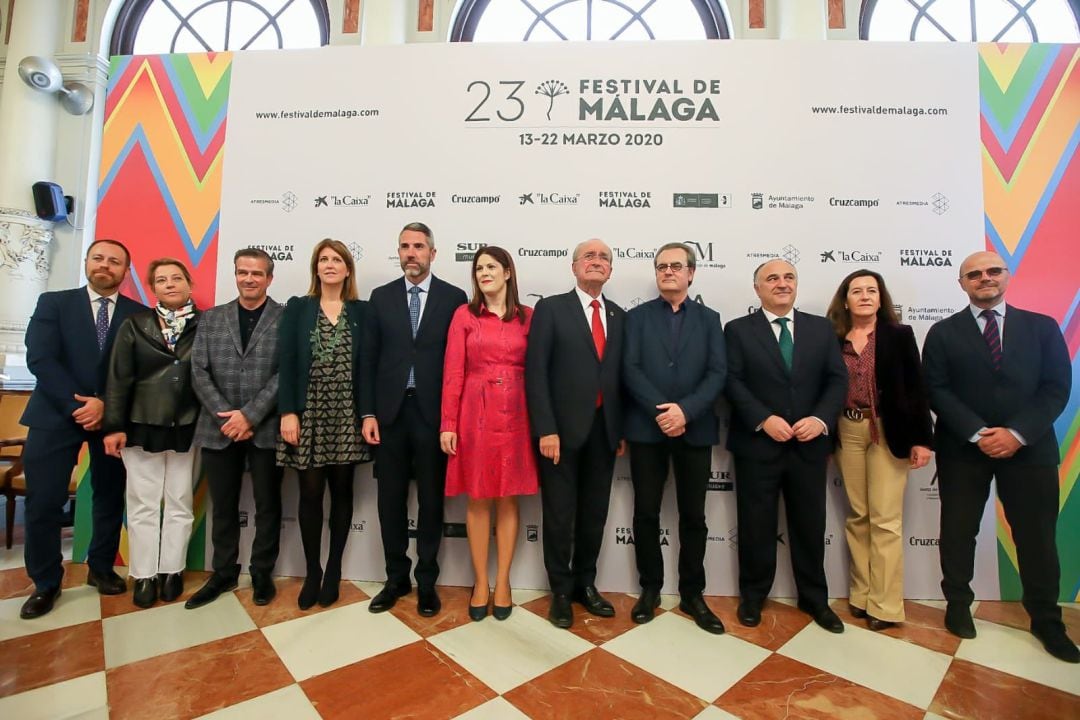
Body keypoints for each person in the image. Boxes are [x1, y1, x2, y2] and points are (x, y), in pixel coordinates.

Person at [923, 251, 1077, 663]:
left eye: (993, 271)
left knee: (1037, 538)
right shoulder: (942, 332)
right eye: (974, 274)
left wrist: (1016, 434)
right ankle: (958, 606)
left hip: (1029, 449)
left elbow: (1056, 388)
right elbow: (936, 390)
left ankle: (1047, 621)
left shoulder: (1042, 328)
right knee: (957, 532)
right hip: (962, 450)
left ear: (1007, 276)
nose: (984, 278)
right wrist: (978, 433)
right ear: (962, 284)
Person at [18, 239, 144, 619]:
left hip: (112, 419)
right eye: (99, 258)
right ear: (87, 261)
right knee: (43, 501)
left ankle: (101, 568)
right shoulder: (54, 303)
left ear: (126, 270)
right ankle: (45, 582)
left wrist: (105, 404)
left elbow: (139, 369)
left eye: (115, 261)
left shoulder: (139, 314)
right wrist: (80, 406)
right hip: (55, 416)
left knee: (108, 496)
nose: (105, 266)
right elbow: (40, 357)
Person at [725, 259, 847, 633]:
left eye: (788, 277)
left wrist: (821, 419)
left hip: (808, 446)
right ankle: (753, 596)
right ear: (757, 288)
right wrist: (764, 419)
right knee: (755, 525)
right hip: (758, 445)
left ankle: (815, 599)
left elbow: (836, 380)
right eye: (772, 278)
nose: (781, 283)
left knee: (810, 525)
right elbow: (731, 380)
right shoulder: (737, 330)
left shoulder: (821, 328)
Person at [361, 222, 467, 617]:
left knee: (431, 502)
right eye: (405, 246)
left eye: (419, 246)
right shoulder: (381, 297)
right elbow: (368, 360)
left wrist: (451, 419)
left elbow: (460, 364)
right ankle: (395, 579)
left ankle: (426, 581)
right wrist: (368, 412)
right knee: (390, 501)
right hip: (388, 414)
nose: (411, 253)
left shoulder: (454, 298)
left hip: (433, 416)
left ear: (433, 254)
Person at [622, 242, 726, 634]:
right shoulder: (636, 318)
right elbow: (629, 369)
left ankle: (692, 593)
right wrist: (663, 412)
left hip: (694, 429)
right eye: (661, 266)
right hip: (648, 430)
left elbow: (718, 372)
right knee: (645, 513)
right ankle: (649, 588)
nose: (668, 271)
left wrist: (686, 411)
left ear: (691, 274)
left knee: (694, 515)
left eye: (676, 266)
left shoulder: (710, 318)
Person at [526, 238, 626, 629]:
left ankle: (587, 584)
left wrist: (617, 429)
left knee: (594, 516)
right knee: (559, 517)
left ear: (610, 270)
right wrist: (546, 428)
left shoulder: (619, 315)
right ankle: (561, 593)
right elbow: (536, 373)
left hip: (604, 434)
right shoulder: (551, 308)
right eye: (589, 256)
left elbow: (618, 378)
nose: (596, 262)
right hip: (560, 436)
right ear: (574, 267)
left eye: (604, 257)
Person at [825, 270, 933, 631]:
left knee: (885, 519)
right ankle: (861, 594)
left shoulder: (899, 336)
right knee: (858, 515)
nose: (865, 296)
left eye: (872, 290)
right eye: (857, 290)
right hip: (847, 429)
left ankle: (886, 606)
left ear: (881, 297)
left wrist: (922, 439)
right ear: (846, 299)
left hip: (888, 431)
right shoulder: (833, 337)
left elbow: (917, 389)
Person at [441, 246, 538, 621]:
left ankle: (504, 582)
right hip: (474, 414)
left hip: (517, 412)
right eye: (478, 268)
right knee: (479, 498)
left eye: (491, 267)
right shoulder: (464, 315)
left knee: (509, 499)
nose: (484, 273)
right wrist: (448, 423)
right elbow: (453, 373)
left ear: (508, 272)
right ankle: (481, 582)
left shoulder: (528, 317)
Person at [186, 248, 283, 609]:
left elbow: (286, 371)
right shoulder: (211, 319)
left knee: (267, 505)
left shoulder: (285, 318)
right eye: (243, 272)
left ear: (269, 278)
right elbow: (198, 371)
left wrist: (251, 415)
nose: (249, 279)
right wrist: (226, 415)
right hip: (218, 428)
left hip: (265, 428)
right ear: (235, 274)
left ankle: (261, 573)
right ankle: (223, 572)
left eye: (257, 273)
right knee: (223, 506)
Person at [103, 258, 201, 608]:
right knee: (143, 504)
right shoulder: (135, 324)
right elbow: (118, 379)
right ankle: (144, 574)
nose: (170, 284)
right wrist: (113, 426)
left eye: (177, 278)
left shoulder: (206, 325)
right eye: (161, 280)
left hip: (187, 424)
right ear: (152, 287)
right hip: (140, 424)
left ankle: (171, 570)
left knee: (179, 501)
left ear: (190, 283)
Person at [278, 239, 369, 611]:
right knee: (311, 494)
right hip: (309, 413)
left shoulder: (362, 311)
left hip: (347, 414)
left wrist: (368, 414)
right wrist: (288, 411)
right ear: (315, 268)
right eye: (323, 260)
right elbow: (286, 362)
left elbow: (368, 367)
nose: (330, 265)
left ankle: (334, 570)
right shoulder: (299, 308)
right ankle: (312, 571)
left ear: (348, 269)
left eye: (337, 260)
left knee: (343, 492)